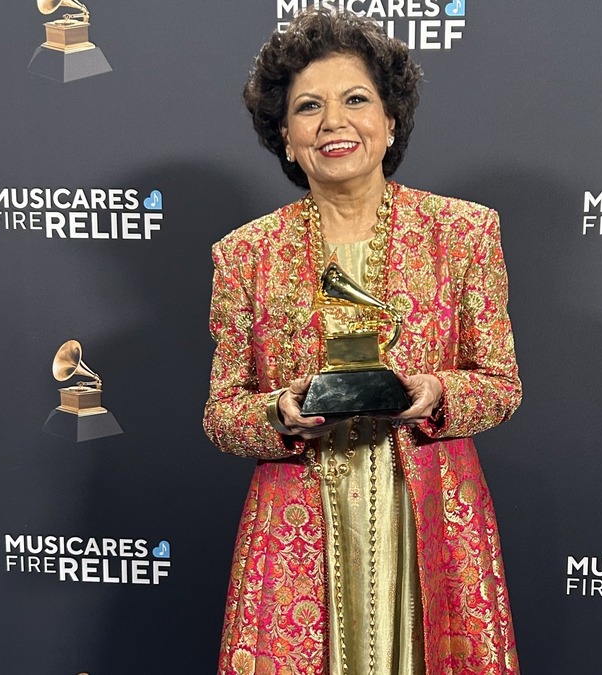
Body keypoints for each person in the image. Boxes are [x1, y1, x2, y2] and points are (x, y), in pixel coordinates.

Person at [203, 8, 523, 674]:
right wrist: (280, 411)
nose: (333, 123)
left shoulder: (463, 233)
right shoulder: (245, 254)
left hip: (431, 516)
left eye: (355, 100)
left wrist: (436, 392)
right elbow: (221, 413)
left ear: (390, 120)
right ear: (285, 136)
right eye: (308, 107)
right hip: (296, 525)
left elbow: (500, 384)